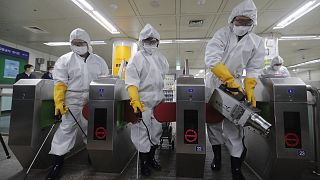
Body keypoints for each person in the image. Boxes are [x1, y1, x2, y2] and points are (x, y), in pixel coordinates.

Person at [204, 0, 265, 179]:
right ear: (232, 19)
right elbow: (212, 60)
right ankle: (216, 157)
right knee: (213, 123)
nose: (242, 25)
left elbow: (254, 67)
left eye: (247, 22)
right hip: (216, 83)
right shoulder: (221, 34)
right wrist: (227, 80)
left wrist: (250, 88)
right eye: (239, 21)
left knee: (234, 127)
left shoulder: (257, 42)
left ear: (253, 23)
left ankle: (236, 169)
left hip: (237, 87)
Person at [46, 28, 109, 180]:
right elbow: (60, 83)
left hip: (92, 99)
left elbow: (105, 81)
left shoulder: (99, 61)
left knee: (91, 128)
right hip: (72, 99)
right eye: (74, 43)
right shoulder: (64, 60)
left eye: (81, 42)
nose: (78, 45)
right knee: (66, 129)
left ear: (88, 43)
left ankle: (92, 154)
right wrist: (59, 102)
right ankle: (57, 164)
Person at [125, 24, 169, 177]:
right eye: (148, 40)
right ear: (141, 41)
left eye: (154, 41)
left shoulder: (161, 58)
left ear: (158, 42)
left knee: (156, 131)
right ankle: (143, 163)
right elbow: (131, 82)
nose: (151, 43)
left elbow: (162, 78)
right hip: (143, 102)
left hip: (158, 101)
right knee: (142, 133)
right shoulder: (136, 58)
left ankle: (151, 159)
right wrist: (135, 100)